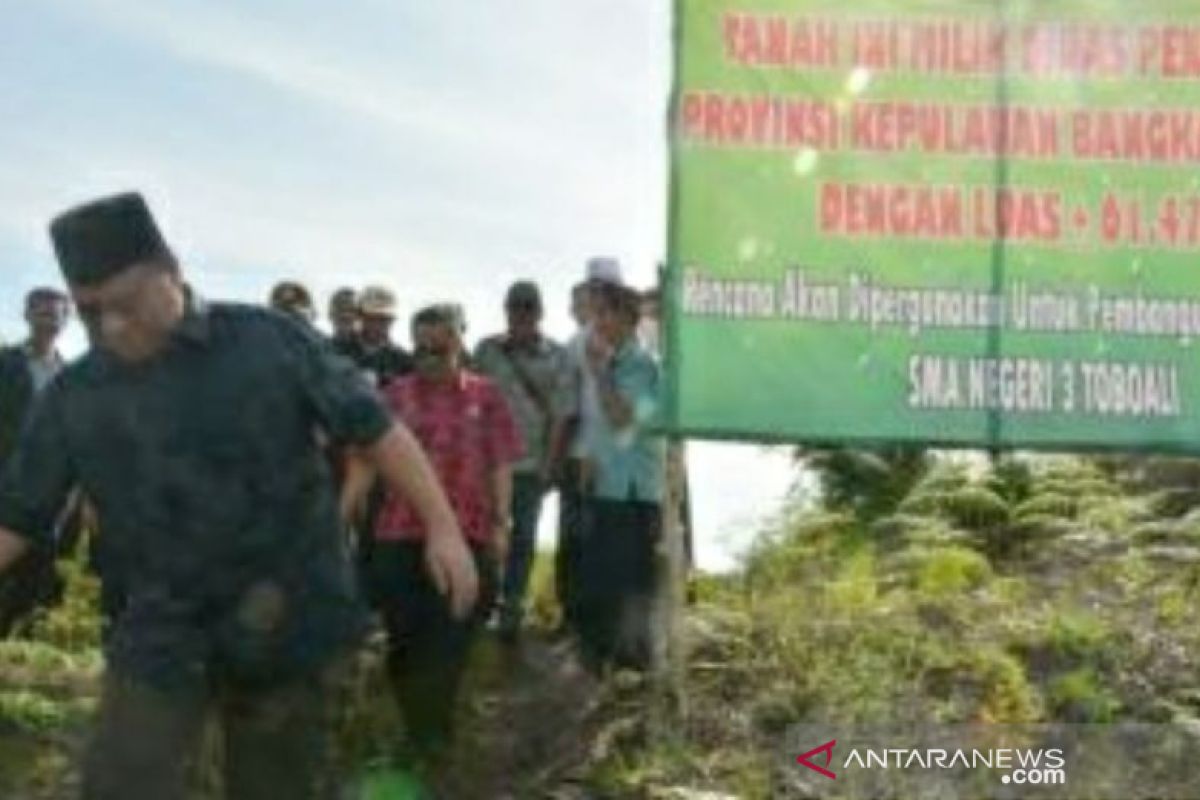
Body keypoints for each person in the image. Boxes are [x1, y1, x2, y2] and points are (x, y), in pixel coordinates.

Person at [0, 192, 478, 800]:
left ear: (171, 272)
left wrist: (442, 526)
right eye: (93, 314)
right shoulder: (73, 396)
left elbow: (376, 429)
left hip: (288, 621)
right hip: (161, 629)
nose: (113, 327)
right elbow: (18, 515)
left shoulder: (268, 342)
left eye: (127, 304)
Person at [346, 302, 522, 762]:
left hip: (470, 536)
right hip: (399, 535)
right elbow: (365, 460)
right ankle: (418, 734)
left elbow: (502, 461)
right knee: (404, 641)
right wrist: (341, 514)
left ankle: (432, 739)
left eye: (439, 350)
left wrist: (504, 524)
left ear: (461, 341)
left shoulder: (488, 397)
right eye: (420, 350)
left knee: (449, 640)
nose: (428, 360)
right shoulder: (394, 396)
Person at [474, 281, 573, 642]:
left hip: (533, 466)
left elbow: (562, 417)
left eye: (529, 307)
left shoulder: (558, 356)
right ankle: (481, 606)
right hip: (488, 467)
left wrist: (552, 464)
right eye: (515, 307)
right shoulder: (486, 351)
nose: (521, 314)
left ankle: (512, 609)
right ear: (506, 310)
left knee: (524, 539)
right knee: (484, 536)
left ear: (540, 312)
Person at [575, 281, 664, 673]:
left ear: (628, 317)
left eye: (604, 313)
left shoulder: (641, 364)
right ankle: (612, 663)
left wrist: (597, 374)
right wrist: (589, 458)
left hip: (635, 493)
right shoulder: (614, 362)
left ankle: (634, 669)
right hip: (611, 487)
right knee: (606, 579)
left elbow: (624, 416)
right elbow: (609, 429)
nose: (596, 322)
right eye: (593, 314)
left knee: (632, 584)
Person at [0, 287, 72, 636]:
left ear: (66, 319)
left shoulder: (71, 376)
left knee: (40, 574)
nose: (48, 318)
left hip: (52, 495)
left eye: (55, 313)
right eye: (41, 311)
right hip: (5, 481)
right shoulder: (5, 363)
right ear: (27, 315)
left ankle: (22, 647)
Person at [558, 259, 623, 634]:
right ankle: (577, 621)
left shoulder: (639, 336)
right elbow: (568, 408)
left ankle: (605, 623)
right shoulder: (575, 343)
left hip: (628, 460)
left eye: (608, 290)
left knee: (613, 540)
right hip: (583, 454)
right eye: (596, 289)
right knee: (579, 538)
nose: (601, 296)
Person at [356, 285, 414, 389]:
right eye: (371, 317)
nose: (376, 324)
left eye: (382, 319)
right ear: (360, 316)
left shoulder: (403, 360)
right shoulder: (336, 351)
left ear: (391, 320)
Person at [327, 287, 363, 361]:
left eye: (351, 310)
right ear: (330, 315)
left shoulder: (372, 351)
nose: (346, 315)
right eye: (341, 309)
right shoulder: (321, 351)